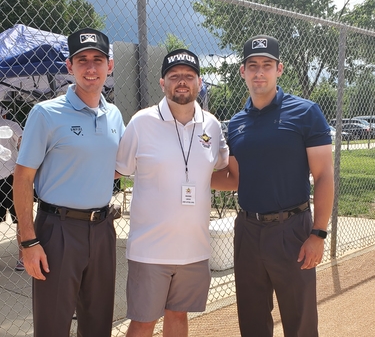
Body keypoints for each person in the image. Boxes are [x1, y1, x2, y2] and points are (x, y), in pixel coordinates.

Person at [211, 35, 334, 337]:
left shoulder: (305, 112)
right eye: (252, 66)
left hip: (291, 229)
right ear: (243, 72)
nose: (259, 73)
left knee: (300, 321)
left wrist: (318, 233)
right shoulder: (238, 122)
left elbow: (324, 176)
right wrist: (186, 175)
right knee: (252, 321)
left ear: (279, 69)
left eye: (267, 65)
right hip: (248, 231)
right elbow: (234, 178)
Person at [13, 28, 125, 337]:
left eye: (98, 60)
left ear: (109, 66)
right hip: (58, 230)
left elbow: (115, 167)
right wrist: (28, 240)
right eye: (82, 60)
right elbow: (23, 177)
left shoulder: (114, 115)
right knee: (53, 326)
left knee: (98, 323)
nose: (91, 68)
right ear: (69, 67)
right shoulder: (46, 114)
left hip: (102, 229)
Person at [116, 48, 229, 337]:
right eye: (174, 75)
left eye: (189, 76)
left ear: (199, 82)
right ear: (162, 82)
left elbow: (220, 167)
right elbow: (119, 170)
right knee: (143, 321)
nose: (182, 81)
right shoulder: (141, 122)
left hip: (194, 249)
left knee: (178, 316)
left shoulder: (212, 126)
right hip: (150, 250)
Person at [0, 106, 23, 270]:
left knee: (20, 218)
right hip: (13, 175)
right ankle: (22, 257)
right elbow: (24, 143)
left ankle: (23, 257)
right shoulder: (11, 125)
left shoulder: (11, 125)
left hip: (9, 175)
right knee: (21, 218)